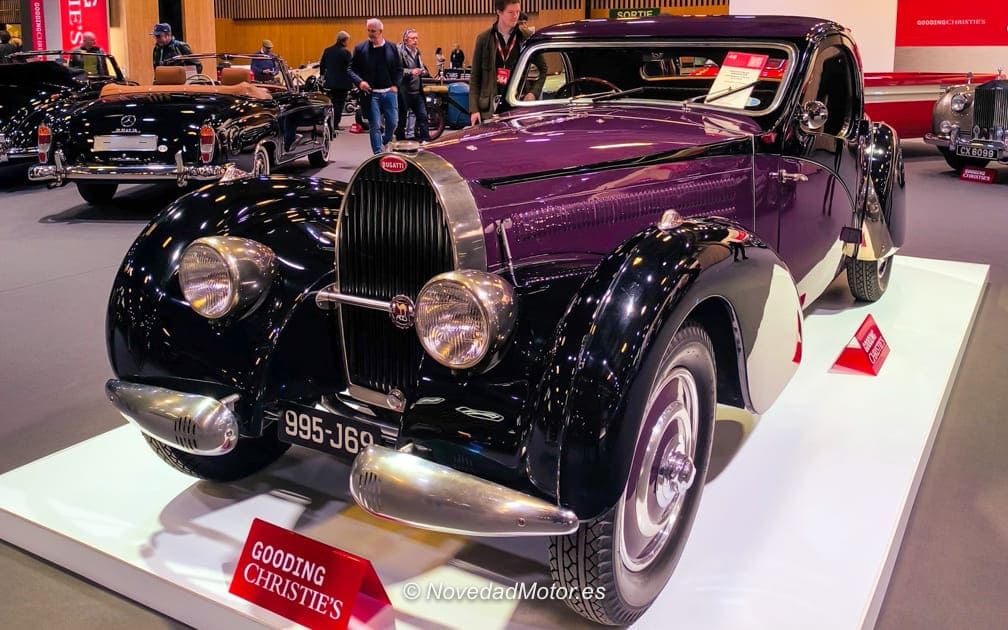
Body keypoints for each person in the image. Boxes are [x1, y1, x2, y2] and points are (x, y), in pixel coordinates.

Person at [469, 1, 539, 125]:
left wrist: (533, 92)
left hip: (517, 106)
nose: (515, 16)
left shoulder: (526, 37)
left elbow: (543, 69)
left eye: (517, 12)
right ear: (499, 12)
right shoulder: (483, 39)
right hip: (489, 109)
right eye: (511, 12)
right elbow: (475, 77)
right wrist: (474, 109)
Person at [349, 18, 402, 154]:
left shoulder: (392, 47)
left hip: (389, 92)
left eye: (373, 31)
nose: (370, 33)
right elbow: (350, 69)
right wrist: (360, 82)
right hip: (371, 94)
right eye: (368, 30)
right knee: (375, 125)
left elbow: (399, 69)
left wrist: (396, 85)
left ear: (380, 31)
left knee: (393, 122)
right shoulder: (360, 49)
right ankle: (378, 154)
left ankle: (384, 140)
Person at [395, 29, 430, 142]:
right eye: (413, 38)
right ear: (406, 40)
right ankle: (400, 141)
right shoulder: (399, 52)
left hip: (417, 91)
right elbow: (397, 70)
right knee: (402, 119)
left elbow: (420, 66)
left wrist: (423, 70)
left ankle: (426, 140)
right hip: (404, 92)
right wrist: (411, 71)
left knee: (423, 116)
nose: (415, 41)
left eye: (416, 38)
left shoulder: (417, 51)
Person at [319, 31, 353, 130]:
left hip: (330, 83)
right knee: (339, 105)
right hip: (342, 84)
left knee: (331, 104)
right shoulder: (346, 52)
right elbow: (351, 68)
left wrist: (322, 77)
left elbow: (322, 65)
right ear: (345, 40)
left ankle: (329, 123)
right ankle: (335, 124)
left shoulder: (327, 50)